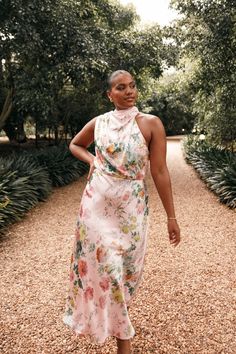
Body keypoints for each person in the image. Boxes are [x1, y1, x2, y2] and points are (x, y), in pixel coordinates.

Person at [62, 70, 181, 354]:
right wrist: (91, 159)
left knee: (126, 275)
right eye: (121, 87)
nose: (129, 91)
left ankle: (114, 323)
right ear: (109, 94)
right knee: (109, 271)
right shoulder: (99, 122)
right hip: (96, 208)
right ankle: (123, 342)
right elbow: (75, 144)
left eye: (132, 86)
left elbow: (160, 171)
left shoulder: (151, 124)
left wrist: (171, 217)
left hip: (131, 211)